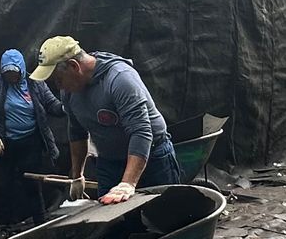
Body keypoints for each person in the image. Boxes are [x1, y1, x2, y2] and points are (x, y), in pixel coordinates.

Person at [29, 36, 183, 205]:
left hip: (152, 158)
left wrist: (128, 183)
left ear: (74, 66)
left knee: (165, 215)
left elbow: (141, 131)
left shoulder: (119, 79)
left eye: (58, 80)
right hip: (110, 162)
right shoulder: (69, 92)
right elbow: (76, 130)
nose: (58, 87)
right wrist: (78, 175)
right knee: (113, 224)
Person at [0, 48, 66, 225]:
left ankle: (40, 223)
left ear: (22, 69)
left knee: (32, 184)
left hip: (30, 143)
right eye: (7, 72)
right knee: (5, 185)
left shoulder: (35, 83)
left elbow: (51, 104)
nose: (11, 76)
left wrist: (66, 108)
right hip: (5, 144)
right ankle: (4, 226)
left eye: (14, 72)